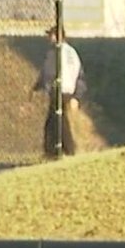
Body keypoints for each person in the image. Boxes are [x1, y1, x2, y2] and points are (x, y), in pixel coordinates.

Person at [30, 25, 86, 158]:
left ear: (58, 36)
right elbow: (79, 75)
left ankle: (66, 150)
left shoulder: (57, 53)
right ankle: (55, 151)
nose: (49, 38)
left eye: (51, 35)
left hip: (60, 90)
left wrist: (76, 97)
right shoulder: (69, 52)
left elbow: (47, 73)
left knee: (58, 122)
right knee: (55, 121)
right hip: (64, 90)